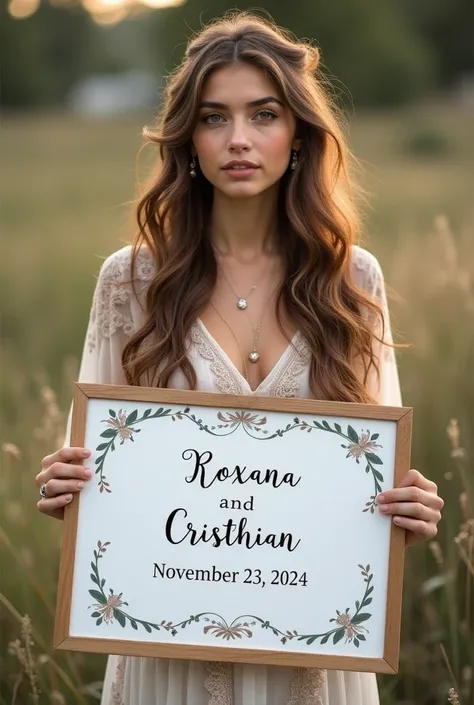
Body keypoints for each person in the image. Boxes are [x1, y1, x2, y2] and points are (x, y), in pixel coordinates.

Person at [35, 11, 444, 705]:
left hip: (314, 664)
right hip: (169, 664)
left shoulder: (354, 282)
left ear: (300, 134)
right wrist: (66, 487)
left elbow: (370, 484)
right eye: (214, 118)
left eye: (264, 114)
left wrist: (408, 509)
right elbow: (98, 474)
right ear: (188, 138)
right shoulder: (130, 282)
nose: (241, 140)